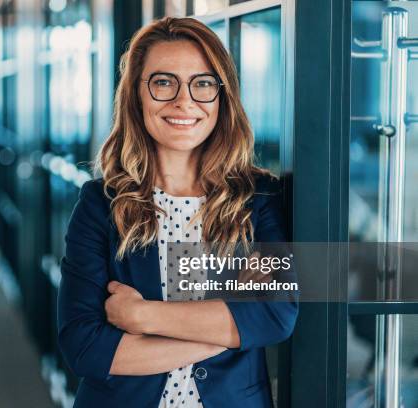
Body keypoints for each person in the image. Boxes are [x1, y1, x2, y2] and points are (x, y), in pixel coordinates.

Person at [57, 16, 298, 408]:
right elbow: (84, 347)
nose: (183, 101)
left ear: (222, 95)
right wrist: (232, 321)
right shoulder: (101, 204)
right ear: (137, 94)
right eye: (163, 82)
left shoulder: (260, 199)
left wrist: (142, 317)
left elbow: (276, 316)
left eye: (202, 83)